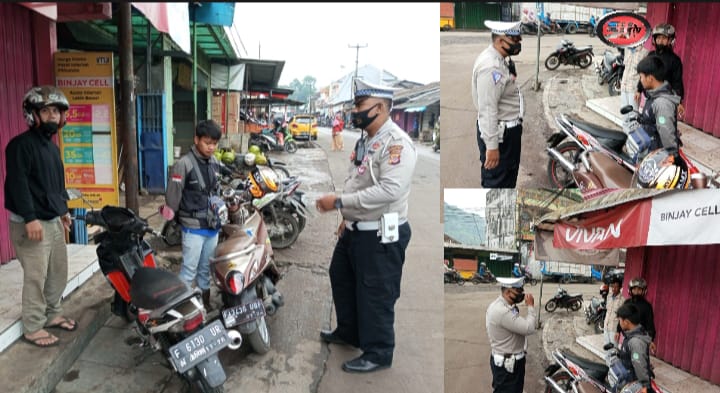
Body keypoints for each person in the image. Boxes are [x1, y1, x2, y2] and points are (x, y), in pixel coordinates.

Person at [315, 78, 417, 373]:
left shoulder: (396, 143)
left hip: (381, 235)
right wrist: (347, 219)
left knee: (376, 293)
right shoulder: (366, 140)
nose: (354, 111)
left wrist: (338, 202)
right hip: (356, 230)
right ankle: (350, 332)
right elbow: (358, 179)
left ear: (381, 107)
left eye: (360, 105)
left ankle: (378, 352)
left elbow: (389, 191)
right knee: (342, 278)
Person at [4, 86, 78, 348]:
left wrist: (63, 211)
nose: (52, 117)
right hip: (30, 223)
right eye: (45, 111)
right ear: (32, 115)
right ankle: (33, 326)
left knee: (57, 270)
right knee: (36, 275)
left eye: (56, 111)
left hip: (52, 219)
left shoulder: (51, 148)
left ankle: (52, 313)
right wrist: (30, 218)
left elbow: (56, 184)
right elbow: (18, 185)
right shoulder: (19, 146)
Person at [163, 119, 231, 311]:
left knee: (205, 270)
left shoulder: (215, 163)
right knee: (188, 270)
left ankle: (205, 304)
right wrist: (171, 217)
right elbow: (173, 197)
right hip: (192, 228)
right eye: (207, 142)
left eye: (214, 143)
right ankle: (179, 308)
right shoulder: (183, 165)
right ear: (196, 140)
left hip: (212, 227)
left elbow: (217, 190)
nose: (211, 147)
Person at [472, 20, 524, 188]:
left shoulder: (500, 59)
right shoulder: (491, 67)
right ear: (501, 41)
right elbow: (487, 110)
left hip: (508, 131)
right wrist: (492, 146)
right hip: (501, 137)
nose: (519, 43)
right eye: (515, 40)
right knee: (498, 183)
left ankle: (503, 211)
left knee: (507, 180)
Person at [486, 277, 536, 393]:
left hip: (508, 362)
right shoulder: (502, 311)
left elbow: (515, 320)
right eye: (518, 291)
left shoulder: (504, 305)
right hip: (508, 366)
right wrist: (531, 307)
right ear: (508, 292)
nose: (522, 294)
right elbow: (529, 328)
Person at [636, 23, 685, 119]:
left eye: (663, 38)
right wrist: (639, 90)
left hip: (666, 101)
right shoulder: (651, 55)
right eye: (658, 38)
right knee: (648, 123)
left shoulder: (675, 60)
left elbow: (677, 82)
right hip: (650, 98)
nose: (660, 41)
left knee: (664, 125)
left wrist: (678, 102)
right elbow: (644, 74)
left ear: (670, 40)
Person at [636, 55, 682, 152]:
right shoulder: (653, 94)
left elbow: (666, 131)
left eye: (641, 77)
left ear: (650, 78)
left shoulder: (662, 103)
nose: (641, 80)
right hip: (650, 144)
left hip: (657, 153)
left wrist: (673, 155)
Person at [616, 303, 656, 393]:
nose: (619, 323)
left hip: (634, 381)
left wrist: (645, 386)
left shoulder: (635, 342)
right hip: (630, 376)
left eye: (620, 320)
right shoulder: (636, 330)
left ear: (626, 322)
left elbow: (639, 364)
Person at [616, 277, 657, 354]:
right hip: (627, 337)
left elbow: (650, 325)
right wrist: (618, 331)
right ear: (630, 290)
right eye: (634, 289)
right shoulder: (627, 302)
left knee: (638, 359)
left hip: (640, 340)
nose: (636, 292)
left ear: (644, 291)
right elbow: (622, 317)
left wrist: (650, 340)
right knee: (626, 358)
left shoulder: (647, 306)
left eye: (639, 290)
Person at [620, 43, 650, 130]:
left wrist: (639, 90)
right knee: (624, 113)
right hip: (624, 86)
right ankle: (626, 136)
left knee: (633, 115)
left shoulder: (645, 52)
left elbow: (643, 74)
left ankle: (634, 139)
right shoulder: (627, 49)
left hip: (634, 88)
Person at [603, 276, 627, 350]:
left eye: (616, 287)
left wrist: (618, 331)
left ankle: (613, 362)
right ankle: (607, 362)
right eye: (612, 286)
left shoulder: (623, 300)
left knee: (613, 350)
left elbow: (622, 317)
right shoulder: (609, 296)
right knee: (607, 350)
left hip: (614, 329)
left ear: (620, 287)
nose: (614, 289)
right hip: (606, 326)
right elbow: (607, 310)